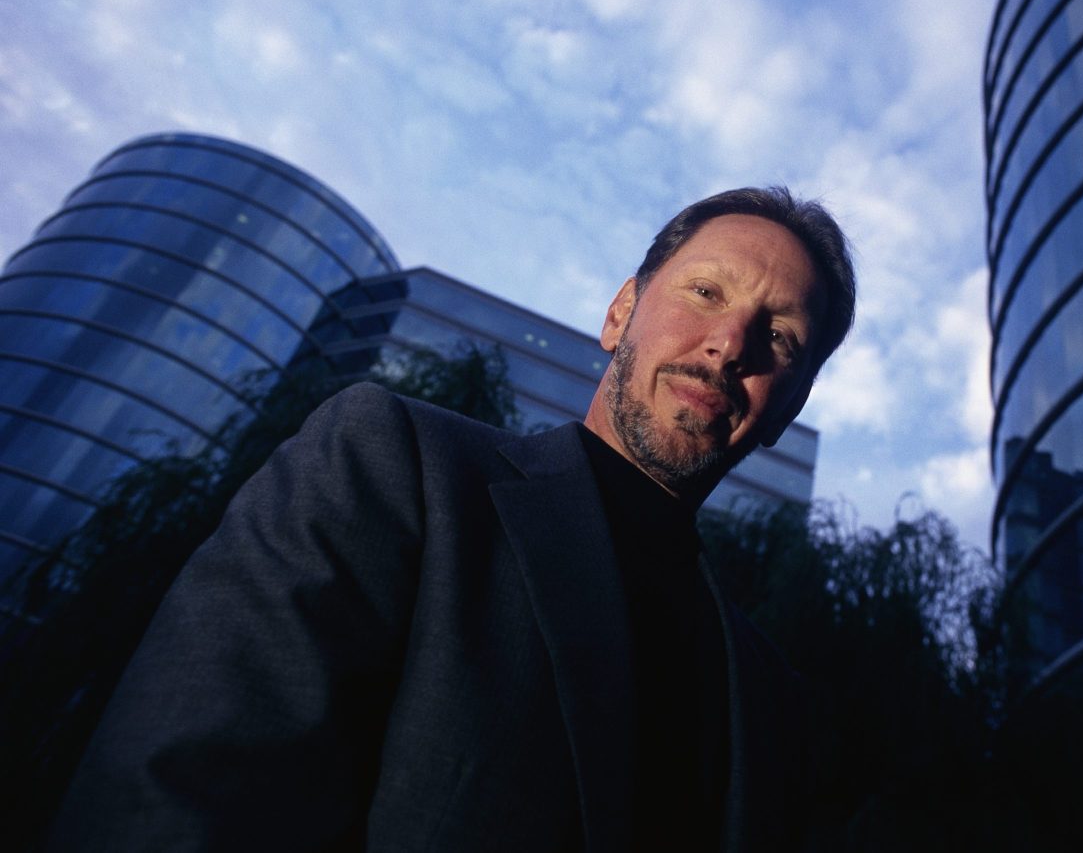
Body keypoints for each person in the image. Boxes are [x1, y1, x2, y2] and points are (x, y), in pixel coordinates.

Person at [50, 187, 856, 852]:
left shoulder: (773, 700)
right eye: (706, 292)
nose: (729, 343)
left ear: (792, 404)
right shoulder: (397, 466)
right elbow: (177, 797)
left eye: (781, 336)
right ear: (621, 314)